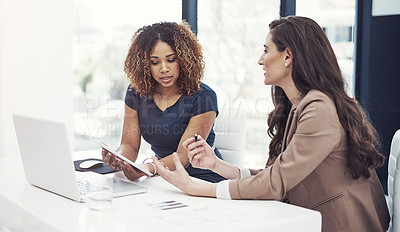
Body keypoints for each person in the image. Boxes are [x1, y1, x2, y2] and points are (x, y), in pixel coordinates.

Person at [152, 16, 390, 231]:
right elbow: (277, 173)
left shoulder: (318, 109)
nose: (260, 60)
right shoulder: (300, 105)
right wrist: (217, 166)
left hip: (339, 224)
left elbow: (277, 183)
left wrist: (199, 188)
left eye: (266, 50)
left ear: (288, 56)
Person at [102, 21, 225, 183]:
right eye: (155, 62)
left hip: (202, 180)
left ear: (184, 60)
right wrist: (120, 159)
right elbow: (130, 145)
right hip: (163, 180)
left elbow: (183, 156)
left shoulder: (204, 96)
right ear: (145, 65)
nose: (164, 68)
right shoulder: (136, 93)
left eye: (171, 59)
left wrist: (149, 168)